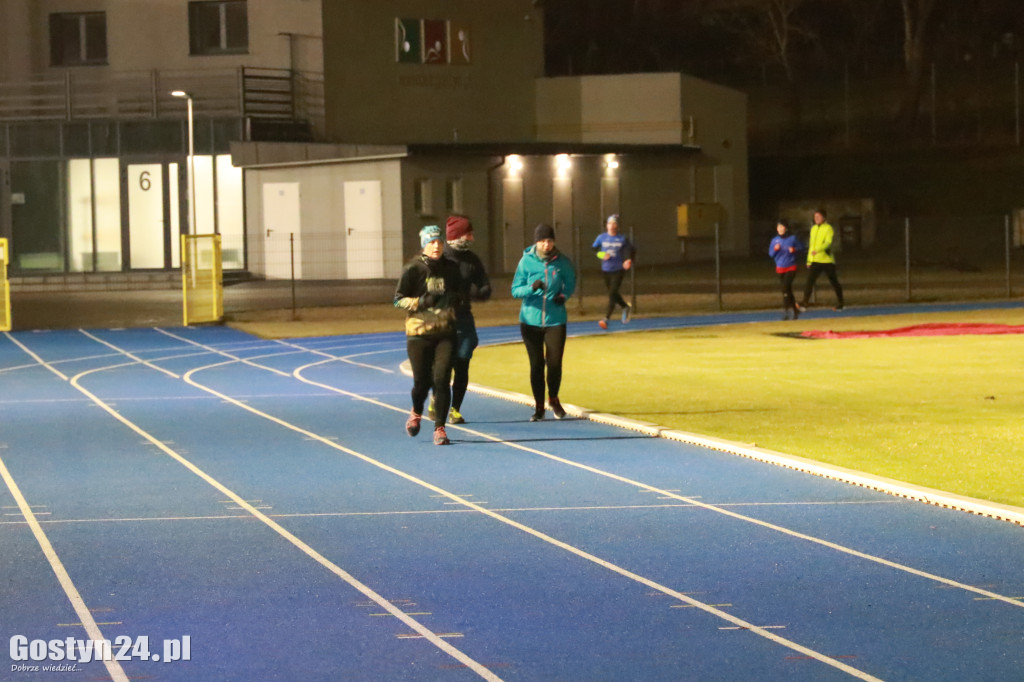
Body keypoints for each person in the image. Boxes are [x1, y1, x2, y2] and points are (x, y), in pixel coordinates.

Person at [393, 225, 463, 445]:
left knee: (442, 380)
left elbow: (461, 293)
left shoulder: (451, 268)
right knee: (421, 382)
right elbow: (397, 300)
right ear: (424, 244)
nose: (436, 246)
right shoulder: (412, 269)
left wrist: (457, 299)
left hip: (445, 332)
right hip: (419, 333)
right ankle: (416, 411)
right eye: (432, 242)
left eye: (439, 242)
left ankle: (440, 428)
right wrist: (421, 302)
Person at [426, 214, 491, 424]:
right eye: (468, 234)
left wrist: (473, 293)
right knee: (443, 367)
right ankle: (436, 399)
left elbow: (486, 288)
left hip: (464, 320)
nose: (472, 238)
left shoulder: (472, 260)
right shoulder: (440, 260)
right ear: (458, 236)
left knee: (462, 365)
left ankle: (455, 409)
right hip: (443, 320)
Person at [511, 223, 577, 421]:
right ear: (536, 242)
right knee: (537, 364)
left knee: (555, 363)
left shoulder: (562, 262)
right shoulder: (526, 262)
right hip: (530, 321)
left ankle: (554, 399)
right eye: (542, 241)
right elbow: (515, 290)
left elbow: (571, 281)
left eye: (549, 240)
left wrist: (563, 295)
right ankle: (539, 407)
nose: (546, 245)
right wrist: (532, 287)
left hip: (555, 319)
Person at [591, 214, 635, 329]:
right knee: (613, 293)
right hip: (606, 270)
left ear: (617, 226)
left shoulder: (622, 238)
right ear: (606, 225)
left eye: (614, 223)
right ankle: (625, 306)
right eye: (609, 223)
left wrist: (628, 260)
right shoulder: (601, 237)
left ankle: (606, 319)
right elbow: (593, 249)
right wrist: (601, 254)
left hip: (618, 269)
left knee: (612, 293)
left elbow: (632, 249)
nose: (611, 226)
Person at [798, 209, 845, 312]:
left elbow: (828, 243)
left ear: (824, 217)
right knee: (809, 281)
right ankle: (804, 303)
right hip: (815, 260)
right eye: (815, 217)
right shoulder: (813, 228)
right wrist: (809, 260)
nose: (816, 219)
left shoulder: (828, 228)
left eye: (818, 217)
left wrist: (818, 250)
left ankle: (841, 303)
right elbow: (811, 245)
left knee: (834, 282)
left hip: (827, 260)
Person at [769, 219, 805, 320]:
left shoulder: (792, 238)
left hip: (791, 266)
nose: (780, 229)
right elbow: (771, 254)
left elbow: (802, 248)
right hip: (780, 267)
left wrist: (795, 250)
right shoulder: (774, 240)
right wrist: (775, 249)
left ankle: (785, 312)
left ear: (786, 228)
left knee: (785, 288)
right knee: (787, 290)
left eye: (782, 227)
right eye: (778, 227)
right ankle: (795, 310)